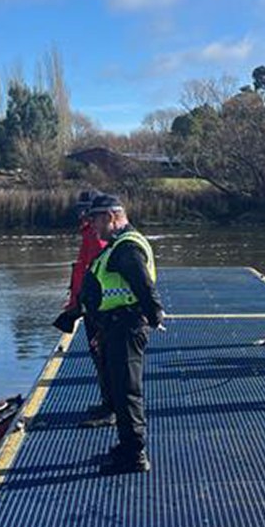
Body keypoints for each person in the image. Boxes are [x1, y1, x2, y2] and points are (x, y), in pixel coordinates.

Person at [79, 194, 165, 474]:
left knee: (128, 392)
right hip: (116, 326)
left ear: (111, 217)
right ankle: (127, 445)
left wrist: (154, 317)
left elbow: (143, 285)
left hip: (126, 327)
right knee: (120, 388)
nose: (92, 226)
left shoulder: (127, 247)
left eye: (95, 220)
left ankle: (134, 454)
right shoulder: (118, 244)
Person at [54, 191, 114, 427]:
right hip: (87, 305)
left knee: (104, 357)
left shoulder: (96, 236)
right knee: (98, 357)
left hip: (97, 308)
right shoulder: (88, 232)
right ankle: (106, 402)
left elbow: (97, 272)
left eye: (85, 209)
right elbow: (82, 270)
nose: (81, 213)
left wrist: (87, 303)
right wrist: (74, 300)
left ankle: (111, 409)